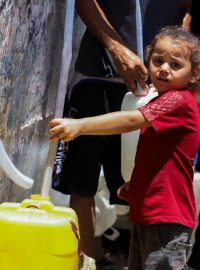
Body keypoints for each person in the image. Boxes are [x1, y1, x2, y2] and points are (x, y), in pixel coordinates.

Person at [52, 0, 192, 268]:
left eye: (175, 64)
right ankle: (88, 261)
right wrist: (116, 48)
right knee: (83, 184)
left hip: (166, 222)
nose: (165, 67)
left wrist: (79, 126)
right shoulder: (177, 100)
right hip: (100, 76)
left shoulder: (175, 101)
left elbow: (132, 120)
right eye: (160, 61)